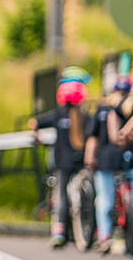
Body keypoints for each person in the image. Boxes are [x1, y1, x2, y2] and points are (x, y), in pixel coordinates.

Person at [30, 73, 91, 249]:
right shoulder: (85, 115)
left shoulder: (58, 114)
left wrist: (37, 137)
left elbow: (34, 122)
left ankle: (59, 230)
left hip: (61, 162)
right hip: (80, 160)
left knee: (61, 195)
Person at [86, 76, 133, 255]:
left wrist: (89, 157)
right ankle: (132, 232)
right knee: (131, 192)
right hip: (126, 157)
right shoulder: (129, 107)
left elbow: (93, 136)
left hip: (104, 159)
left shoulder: (103, 107)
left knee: (104, 199)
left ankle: (104, 236)